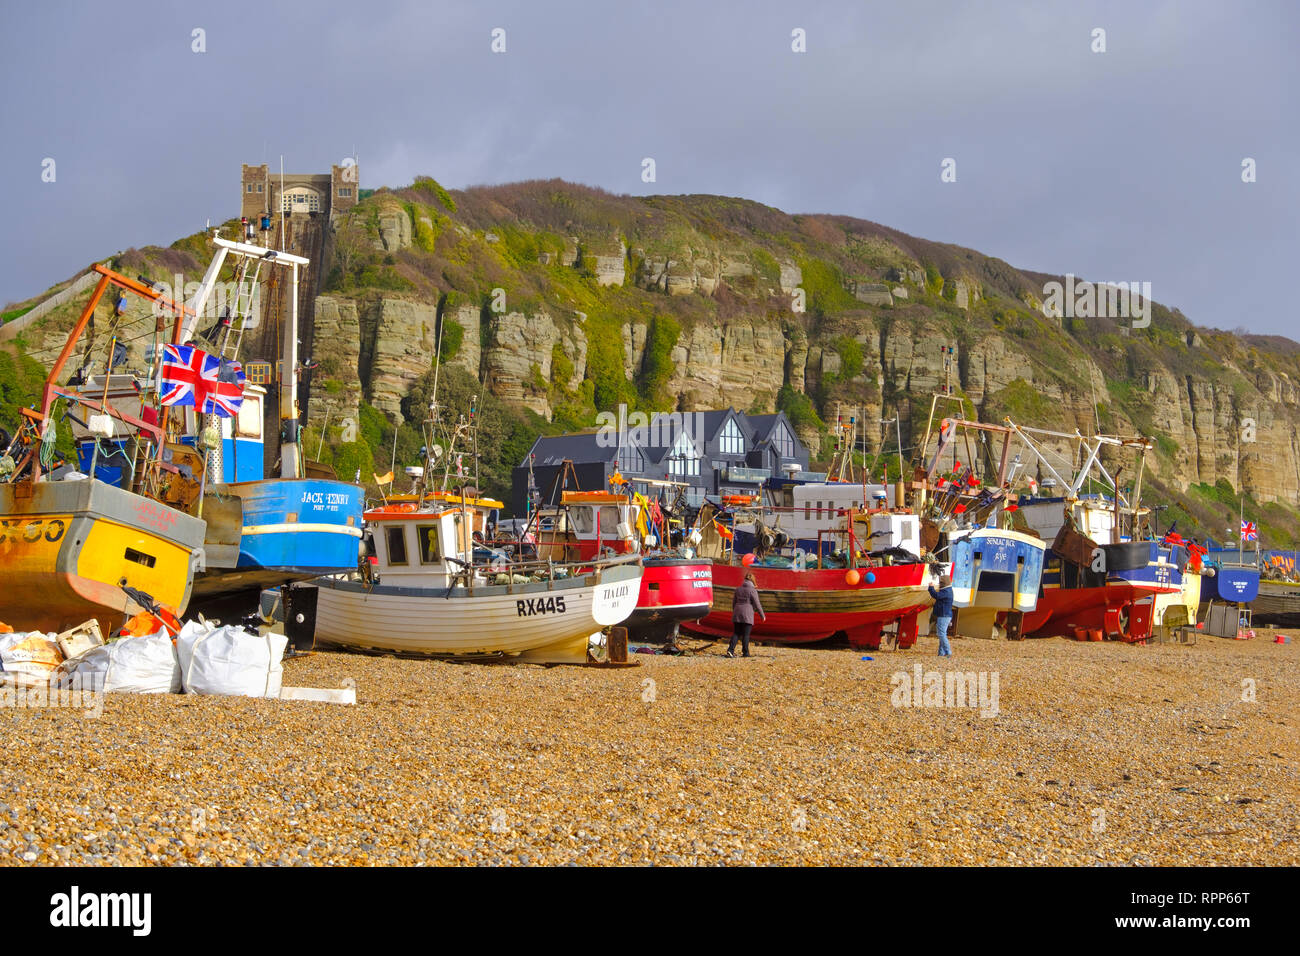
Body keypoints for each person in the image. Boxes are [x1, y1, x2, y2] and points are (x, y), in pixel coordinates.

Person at [728, 572, 766, 658]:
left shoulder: (738, 589)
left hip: (737, 613)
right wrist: (762, 615)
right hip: (747, 614)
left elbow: (734, 603)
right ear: (753, 581)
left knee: (736, 633)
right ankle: (745, 653)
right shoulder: (752, 590)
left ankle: (730, 650)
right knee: (746, 634)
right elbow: (757, 604)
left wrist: (735, 612)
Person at [929, 573, 955, 657]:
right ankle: (941, 653)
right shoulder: (949, 590)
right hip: (946, 615)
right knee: (942, 633)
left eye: (940, 583)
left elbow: (936, 595)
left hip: (944, 616)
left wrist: (931, 587)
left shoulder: (946, 592)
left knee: (941, 634)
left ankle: (948, 652)